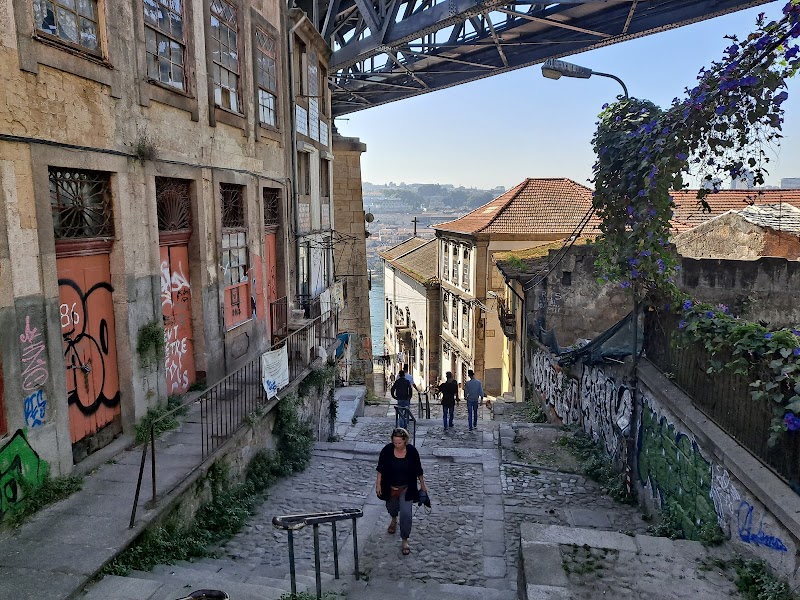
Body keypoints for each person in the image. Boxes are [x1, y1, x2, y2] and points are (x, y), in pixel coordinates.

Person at [375, 427, 427, 556]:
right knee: (391, 508)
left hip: (406, 488)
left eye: (399, 442)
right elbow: (380, 469)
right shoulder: (387, 450)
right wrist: (378, 484)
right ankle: (394, 519)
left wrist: (423, 485)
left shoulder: (412, 452)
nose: (397, 445)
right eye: (395, 442)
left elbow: (418, 470)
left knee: (406, 514)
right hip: (390, 487)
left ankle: (405, 539)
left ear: (405, 441)